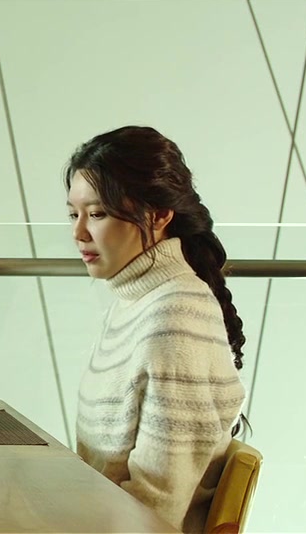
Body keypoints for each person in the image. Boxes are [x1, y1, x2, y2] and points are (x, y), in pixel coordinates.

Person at [65, 126, 248, 533]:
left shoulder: (176, 316)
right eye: (73, 214)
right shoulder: (133, 302)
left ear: (160, 215)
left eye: (97, 214)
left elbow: (156, 506)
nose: (78, 233)